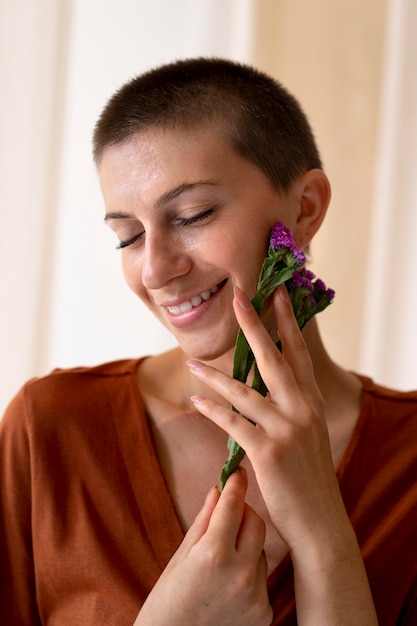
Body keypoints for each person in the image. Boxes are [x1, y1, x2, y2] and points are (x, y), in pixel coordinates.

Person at [1, 57, 416, 626]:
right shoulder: (51, 430)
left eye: (193, 214)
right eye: (127, 237)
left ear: (306, 208)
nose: (154, 269)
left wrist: (325, 543)